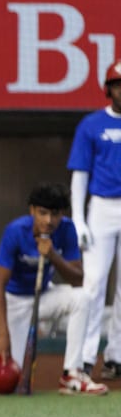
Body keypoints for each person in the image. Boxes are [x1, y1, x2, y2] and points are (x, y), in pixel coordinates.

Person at [0, 183, 107, 395]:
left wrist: (53, 256)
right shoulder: (15, 231)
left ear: (62, 214)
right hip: (12, 300)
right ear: (32, 210)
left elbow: (78, 279)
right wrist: (3, 335)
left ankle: (71, 374)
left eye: (55, 214)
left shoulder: (67, 229)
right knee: (10, 378)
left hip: (42, 297)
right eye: (42, 213)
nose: (49, 220)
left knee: (82, 298)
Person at [70, 59, 121, 379]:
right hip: (101, 207)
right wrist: (78, 219)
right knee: (93, 284)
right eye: (118, 85)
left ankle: (116, 355)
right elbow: (80, 174)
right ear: (108, 89)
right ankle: (85, 357)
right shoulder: (91, 124)